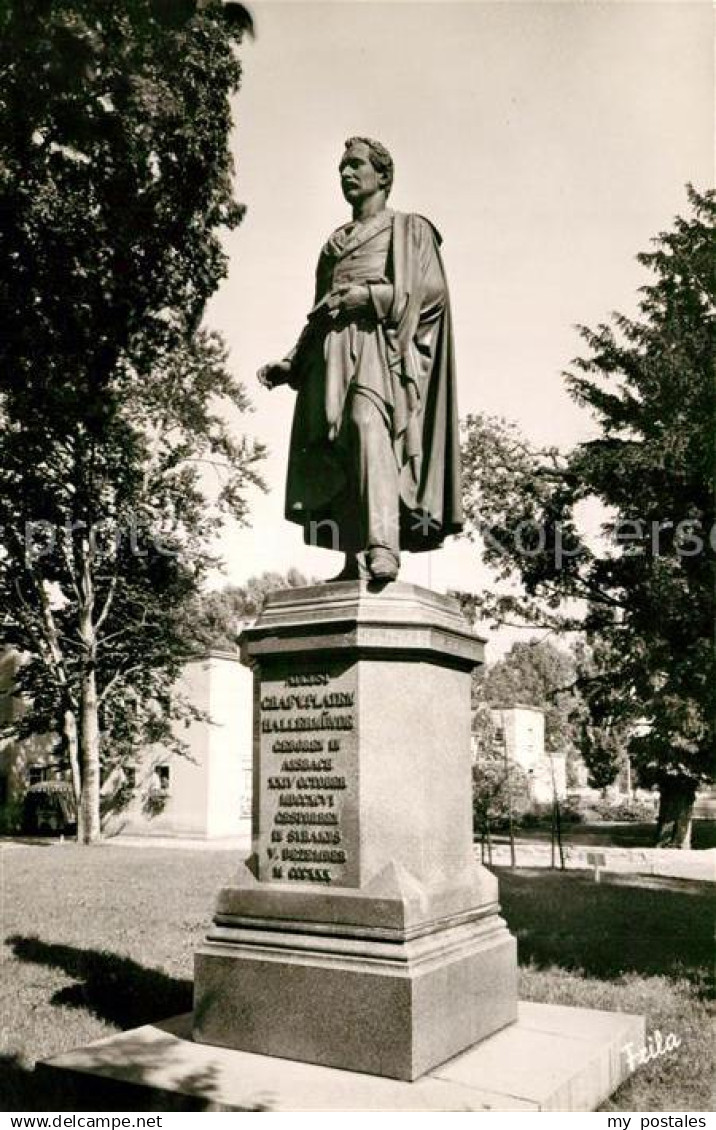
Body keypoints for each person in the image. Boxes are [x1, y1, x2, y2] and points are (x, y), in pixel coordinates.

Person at [258, 137, 463, 583]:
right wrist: (293, 362)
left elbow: (432, 294)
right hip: (330, 355)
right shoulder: (333, 243)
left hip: (380, 348)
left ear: (383, 176)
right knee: (337, 449)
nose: (346, 175)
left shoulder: (410, 230)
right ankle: (352, 558)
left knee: (367, 427)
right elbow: (319, 309)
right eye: (341, 169)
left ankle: (383, 546)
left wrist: (368, 297)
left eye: (355, 166)